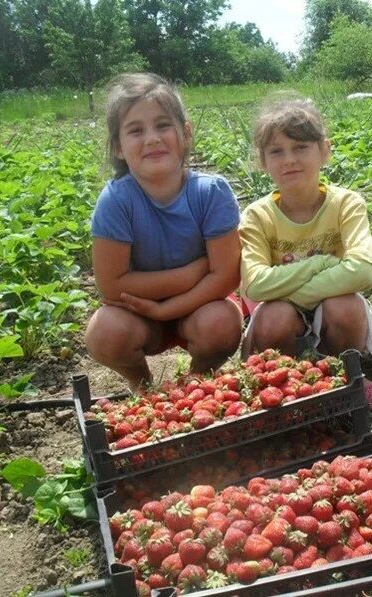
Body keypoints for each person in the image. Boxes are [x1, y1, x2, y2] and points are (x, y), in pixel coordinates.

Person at [85, 73, 242, 392]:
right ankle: (142, 386)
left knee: (222, 323)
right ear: (118, 146)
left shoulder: (211, 193)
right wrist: (192, 272)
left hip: (201, 307)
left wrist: (167, 307)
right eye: (136, 130)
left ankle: (196, 384)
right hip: (138, 316)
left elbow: (226, 278)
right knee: (104, 332)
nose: (152, 138)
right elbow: (112, 288)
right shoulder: (116, 201)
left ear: (185, 133)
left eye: (163, 125)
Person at [239, 95, 372, 364]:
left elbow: (364, 271)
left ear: (325, 151)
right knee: (275, 317)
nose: (289, 159)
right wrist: (321, 263)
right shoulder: (257, 216)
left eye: (301, 147)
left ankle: (345, 378)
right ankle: (287, 387)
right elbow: (255, 285)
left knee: (345, 308)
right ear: (263, 161)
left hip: (330, 304)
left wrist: (299, 295)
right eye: (276, 151)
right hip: (281, 312)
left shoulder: (345, 203)